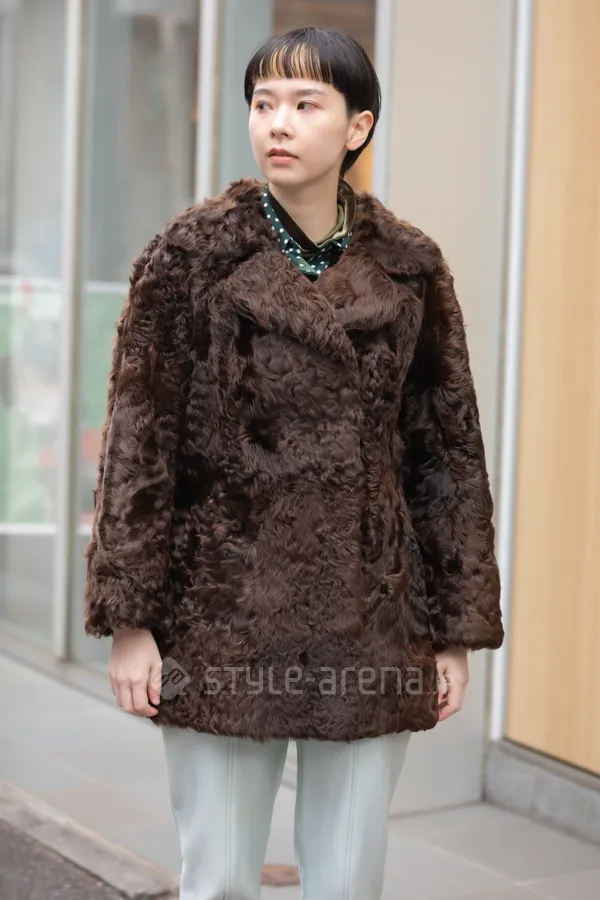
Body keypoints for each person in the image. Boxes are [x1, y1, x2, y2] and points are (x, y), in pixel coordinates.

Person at [84, 26, 504, 900]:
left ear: (358, 126)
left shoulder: (410, 266)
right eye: (264, 103)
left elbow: (447, 453)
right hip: (223, 612)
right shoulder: (189, 257)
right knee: (220, 879)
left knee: (349, 881)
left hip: (371, 614)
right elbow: (138, 445)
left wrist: (453, 631)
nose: (278, 123)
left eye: (306, 104)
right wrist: (130, 619)